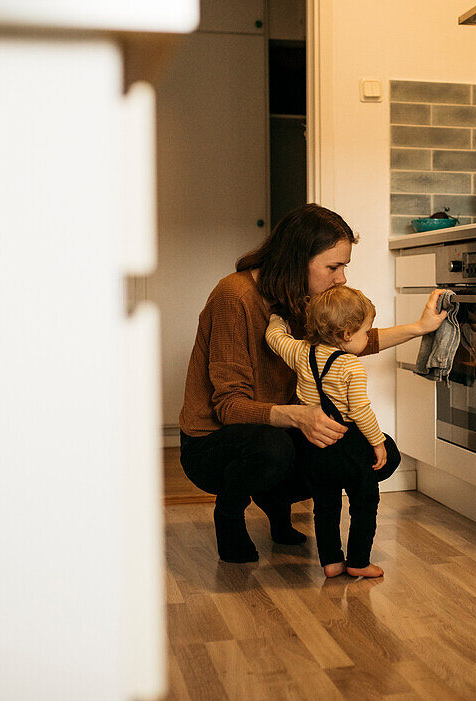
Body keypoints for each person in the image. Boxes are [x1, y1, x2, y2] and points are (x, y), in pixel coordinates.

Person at [177, 203, 447, 563]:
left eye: (344, 267)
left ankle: (274, 501)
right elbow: (229, 407)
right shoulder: (235, 297)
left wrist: (419, 328)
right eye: (334, 267)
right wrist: (300, 417)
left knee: (375, 453)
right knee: (276, 449)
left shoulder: (299, 299)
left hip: (272, 431)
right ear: (296, 260)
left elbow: (347, 342)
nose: (342, 278)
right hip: (213, 443)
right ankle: (229, 516)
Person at [265, 285, 393, 579]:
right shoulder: (351, 366)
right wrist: (378, 442)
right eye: (365, 333)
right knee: (364, 504)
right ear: (347, 334)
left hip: (316, 446)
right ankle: (359, 561)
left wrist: (276, 319)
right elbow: (360, 411)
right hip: (349, 447)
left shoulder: (300, 351)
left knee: (325, 506)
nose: (366, 338)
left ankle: (332, 562)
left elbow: (275, 338)